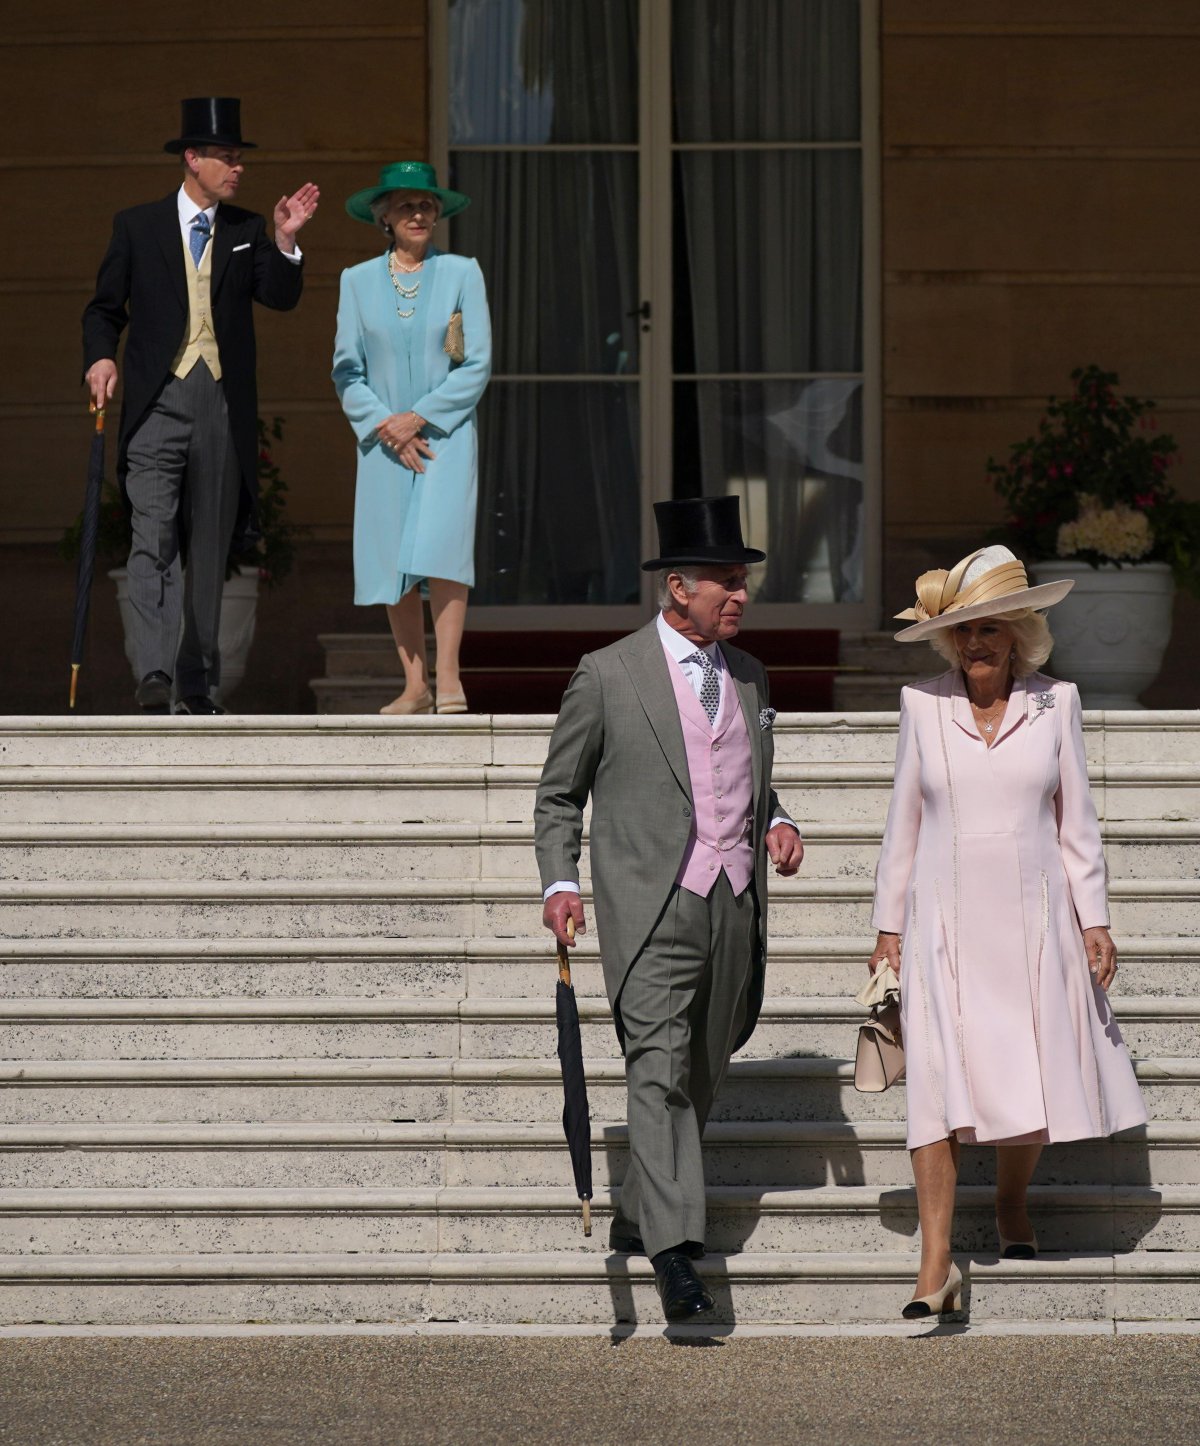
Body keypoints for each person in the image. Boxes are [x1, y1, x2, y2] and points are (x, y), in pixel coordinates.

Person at [534, 496, 804, 1323]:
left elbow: (752, 776)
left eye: (743, 580)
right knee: (656, 1067)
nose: (740, 595)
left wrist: (783, 820)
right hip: (650, 901)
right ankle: (676, 1255)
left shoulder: (751, 675)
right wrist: (561, 881)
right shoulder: (607, 673)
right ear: (677, 586)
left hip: (733, 900)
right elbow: (557, 798)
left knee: (702, 1064)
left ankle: (642, 1207)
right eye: (726, 581)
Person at [870, 545, 1147, 1320]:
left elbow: (1077, 824)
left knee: (1024, 1068)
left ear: (1021, 634)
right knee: (933, 1083)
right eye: (964, 631)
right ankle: (934, 1267)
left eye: (991, 628)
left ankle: (1012, 1202)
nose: (977, 642)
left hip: (1032, 916)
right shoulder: (921, 705)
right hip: (942, 922)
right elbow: (904, 822)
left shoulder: (1058, 704)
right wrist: (887, 928)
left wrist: (1095, 919)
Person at [83, 97, 318, 714]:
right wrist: (101, 358)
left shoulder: (245, 230)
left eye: (239, 158)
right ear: (193, 158)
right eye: (226, 158)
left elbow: (280, 296)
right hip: (156, 400)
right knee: (151, 537)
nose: (237, 169)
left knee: (210, 548)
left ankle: (197, 682)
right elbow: (104, 309)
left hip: (220, 403)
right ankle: (155, 672)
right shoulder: (136, 226)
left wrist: (287, 241)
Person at [333, 161, 492, 716]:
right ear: (385, 217)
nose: (419, 214)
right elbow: (346, 372)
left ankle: (449, 677)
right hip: (383, 441)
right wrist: (388, 426)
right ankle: (414, 683)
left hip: (445, 433)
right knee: (392, 557)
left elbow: (476, 365)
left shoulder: (462, 273)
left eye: (427, 205)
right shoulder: (355, 281)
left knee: (444, 550)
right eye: (406, 206)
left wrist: (418, 418)